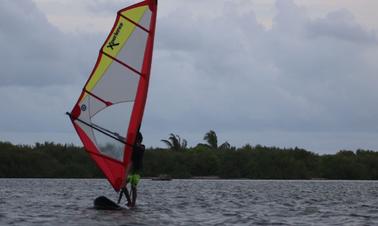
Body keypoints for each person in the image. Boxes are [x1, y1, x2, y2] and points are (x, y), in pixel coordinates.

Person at [117, 132, 145, 207]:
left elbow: (139, 147)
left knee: (133, 186)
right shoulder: (131, 145)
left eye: (136, 140)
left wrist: (134, 144)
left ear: (139, 140)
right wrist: (118, 136)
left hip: (137, 171)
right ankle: (129, 201)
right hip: (129, 170)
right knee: (123, 185)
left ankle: (133, 203)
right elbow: (125, 140)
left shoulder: (142, 147)